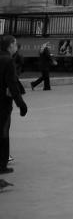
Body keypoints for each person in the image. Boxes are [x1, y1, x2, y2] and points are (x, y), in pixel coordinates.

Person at [1, 35, 28, 175]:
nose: (16, 47)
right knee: (3, 133)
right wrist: (21, 104)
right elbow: (12, 85)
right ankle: (2, 164)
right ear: (10, 45)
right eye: (15, 44)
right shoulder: (8, 61)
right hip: (3, 105)